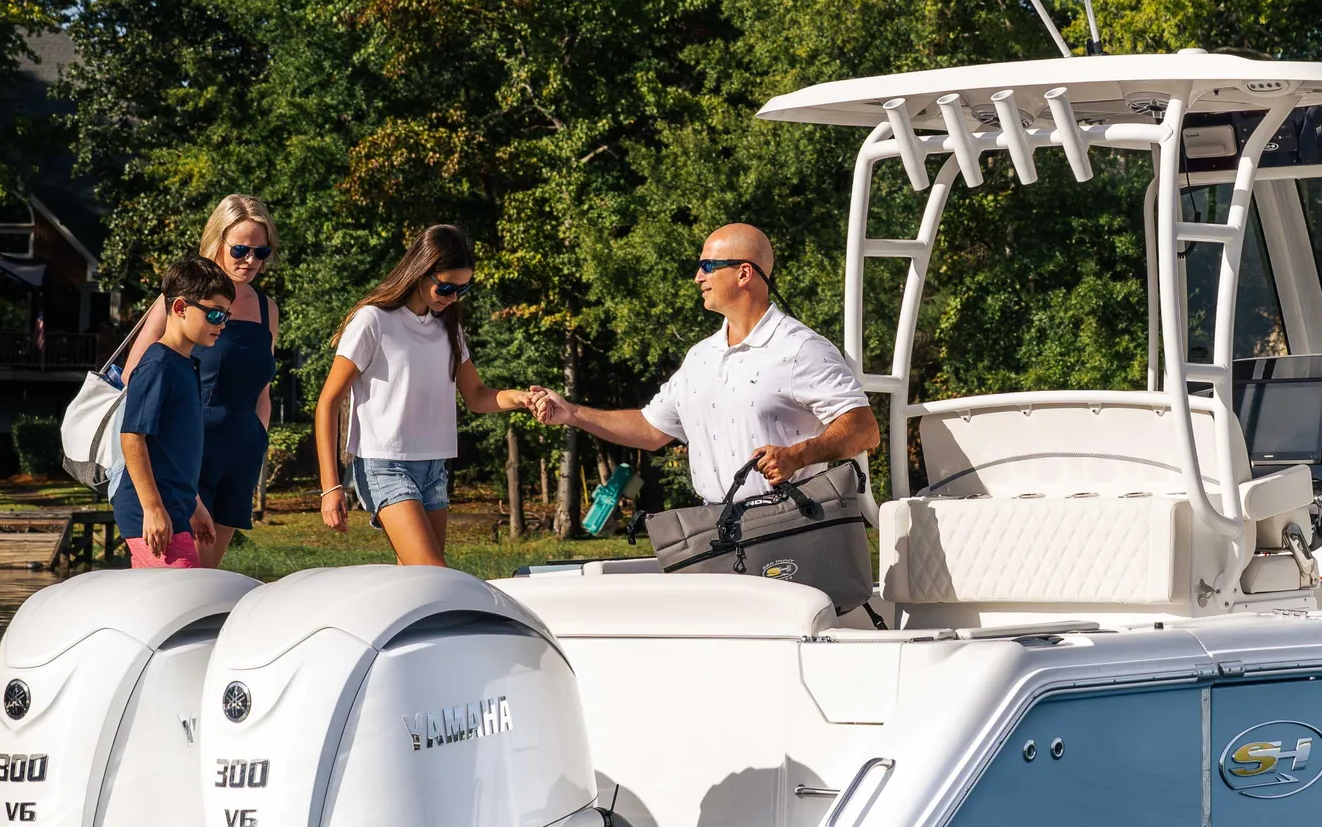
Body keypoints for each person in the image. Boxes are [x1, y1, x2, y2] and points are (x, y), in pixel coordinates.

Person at [517, 222, 877, 505]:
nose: (698, 277)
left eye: (707, 265)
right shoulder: (700, 356)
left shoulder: (801, 348)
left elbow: (864, 430)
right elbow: (651, 429)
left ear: (744, 274)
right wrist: (572, 413)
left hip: (788, 525)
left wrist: (799, 455)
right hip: (717, 527)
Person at [315, 224, 516, 568]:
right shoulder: (373, 320)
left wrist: (523, 399)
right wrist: (330, 487)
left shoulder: (447, 329)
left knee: (418, 583)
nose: (452, 297)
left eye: (462, 289)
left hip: (434, 468)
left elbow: (478, 396)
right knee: (434, 575)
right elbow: (328, 403)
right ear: (421, 271)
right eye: (447, 286)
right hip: (385, 465)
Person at [111, 193, 295, 539]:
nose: (250, 260)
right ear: (217, 243)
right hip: (187, 455)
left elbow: (263, 390)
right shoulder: (185, 299)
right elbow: (134, 373)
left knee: (210, 575)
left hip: (239, 455)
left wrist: (258, 438)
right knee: (182, 576)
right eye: (240, 250)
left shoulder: (267, 308)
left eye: (261, 251)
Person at [114, 255, 242, 566]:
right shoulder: (158, 364)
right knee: (183, 600)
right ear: (180, 308)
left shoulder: (186, 364)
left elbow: (175, 452)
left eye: (226, 315)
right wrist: (153, 508)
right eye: (213, 314)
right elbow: (132, 437)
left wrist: (194, 506)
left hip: (176, 508)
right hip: (151, 512)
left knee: (169, 603)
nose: (222, 324)